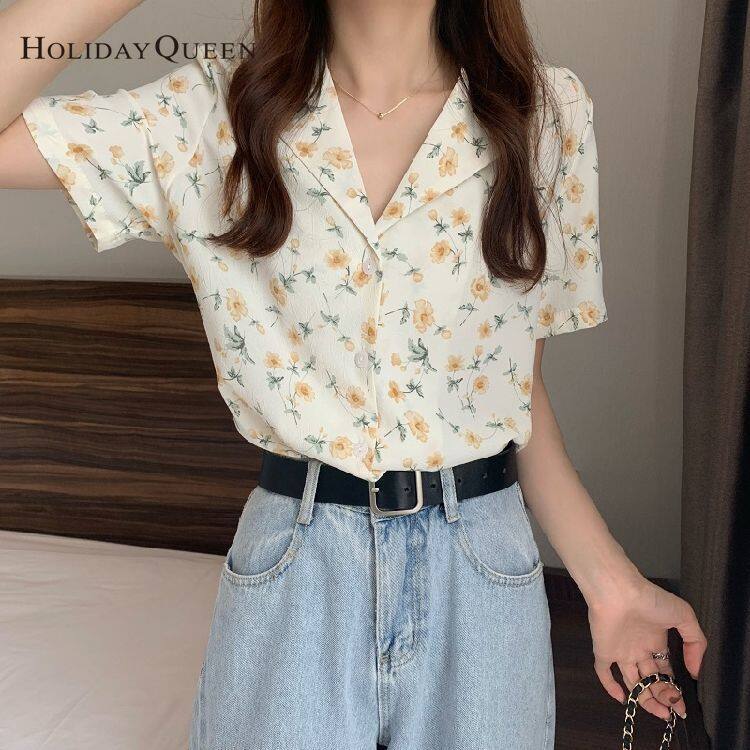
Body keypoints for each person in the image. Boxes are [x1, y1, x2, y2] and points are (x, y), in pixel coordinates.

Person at [0, 1, 707, 748]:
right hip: (297, 564)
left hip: (483, 571)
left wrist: (612, 586)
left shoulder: (543, 115)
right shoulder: (210, 117)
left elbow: (512, 393)